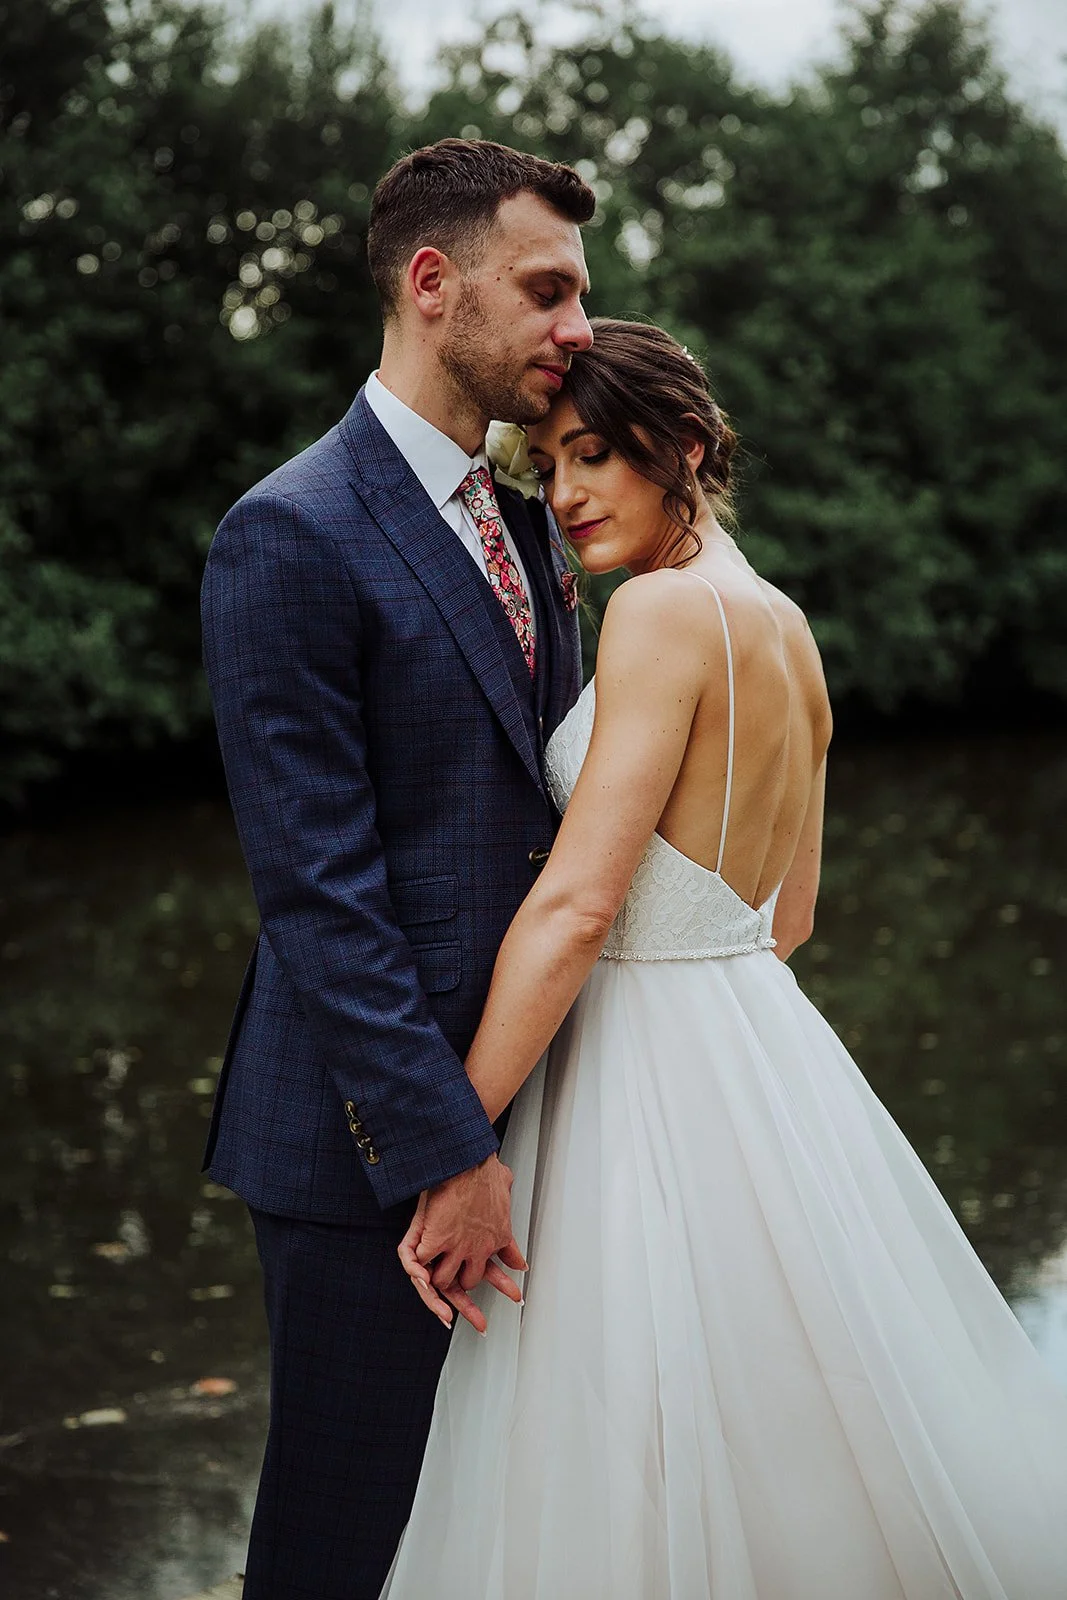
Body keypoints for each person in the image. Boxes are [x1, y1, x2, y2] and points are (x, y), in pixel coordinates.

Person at [386, 319, 1067, 1599]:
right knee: (795, 1421)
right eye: (547, 466)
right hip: (761, 1052)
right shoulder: (787, 627)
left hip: (637, 1071)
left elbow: (577, 907)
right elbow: (788, 911)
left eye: (592, 455)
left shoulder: (656, 613)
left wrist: (450, 1134)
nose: (567, 494)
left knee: (621, 1429)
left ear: (682, 447)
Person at [199, 139, 594, 1600]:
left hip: (531, 1106)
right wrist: (446, 1152)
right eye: (545, 291)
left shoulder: (535, 521)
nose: (576, 330)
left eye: (581, 296)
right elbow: (318, 891)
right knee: (343, 1539)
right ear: (433, 285)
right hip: (371, 1145)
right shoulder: (286, 533)